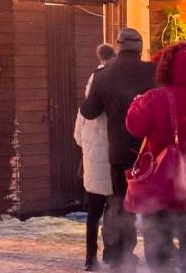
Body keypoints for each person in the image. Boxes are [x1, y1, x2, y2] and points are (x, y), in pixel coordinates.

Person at [123, 43, 186, 271]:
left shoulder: (153, 98)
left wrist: (136, 104)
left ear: (167, 68)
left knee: (158, 247)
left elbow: (134, 126)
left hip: (161, 186)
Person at [80, 27, 154, 271]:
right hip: (148, 150)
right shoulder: (151, 72)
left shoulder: (103, 74)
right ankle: (145, 254)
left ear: (119, 45)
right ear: (140, 48)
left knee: (119, 202)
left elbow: (89, 111)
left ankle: (116, 253)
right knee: (149, 204)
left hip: (118, 150)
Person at [74, 43, 116, 271]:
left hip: (92, 167)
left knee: (93, 213)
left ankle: (90, 257)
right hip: (112, 164)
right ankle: (111, 252)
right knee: (113, 211)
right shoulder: (114, 104)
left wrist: (90, 150)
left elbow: (77, 136)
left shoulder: (85, 109)